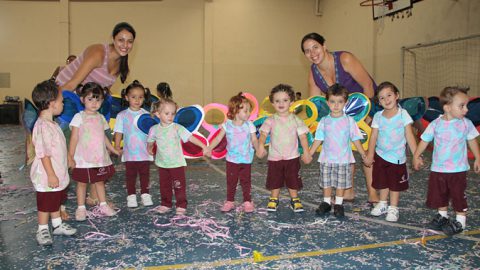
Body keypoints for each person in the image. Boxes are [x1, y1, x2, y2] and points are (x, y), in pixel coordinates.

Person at [55, 22, 136, 209]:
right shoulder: (98, 52)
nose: (125, 44)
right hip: (68, 96)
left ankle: (94, 197)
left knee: (98, 146)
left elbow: (102, 89)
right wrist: (53, 107)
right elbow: (72, 83)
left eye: (129, 41)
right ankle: (59, 205)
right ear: (113, 39)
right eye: (121, 40)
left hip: (90, 103)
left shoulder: (121, 65)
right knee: (67, 150)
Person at [301, 32, 378, 204]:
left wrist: (365, 117)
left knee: (365, 147)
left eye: (315, 47)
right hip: (340, 111)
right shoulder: (313, 74)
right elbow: (315, 105)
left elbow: (368, 85)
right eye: (307, 51)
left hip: (367, 104)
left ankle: (373, 192)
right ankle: (348, 191)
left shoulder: (345, 59)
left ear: (324, 46)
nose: (312, 53)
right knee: (344, 147)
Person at [413, 86, 480, 235]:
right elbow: (424, 140)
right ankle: (442, 216)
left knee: (458, 196)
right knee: (439, 195)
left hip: (458, 170)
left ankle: (460, 221)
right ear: (447, 108)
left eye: (466, 105)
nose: (466, 110)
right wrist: (416, 155)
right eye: (462, 106)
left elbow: (472, 141)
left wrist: (478, 158)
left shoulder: (465, 123)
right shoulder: (436, 124)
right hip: (438, 169)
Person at [307, 84, 369, 218]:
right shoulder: (324, 121)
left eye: (340, 102)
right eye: (332, 101)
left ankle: (339, 204)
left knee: (341, 183)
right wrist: (309, 153)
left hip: (343, 159)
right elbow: (318, 139)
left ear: (345, 102)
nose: (336, 105)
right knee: (326, 182)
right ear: (327, 102)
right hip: (326, 159)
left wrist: (363, 154)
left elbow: (356, 139)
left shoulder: (349, 121)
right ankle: (326, 202)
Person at [30, 80, 77, 245]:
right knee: (46, 203)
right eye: (61, 101)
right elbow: (43, 153)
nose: (63, 103)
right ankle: (42, 229)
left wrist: (69, 158)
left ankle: (57, 225)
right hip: (47, 175)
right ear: (51, 103)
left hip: (58, 172)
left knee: (56, 200)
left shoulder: (53, 124)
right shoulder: (42, 126)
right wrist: (50, 174)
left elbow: (59, 148)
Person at [147, 98, 209, 215]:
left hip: (176, 164)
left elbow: (190, 137)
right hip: (162, 164)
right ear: (158, 114)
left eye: (173, 113)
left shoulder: (177, 128)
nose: (170, 116)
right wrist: (149, 148)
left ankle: (181, 204)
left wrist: (203, 146)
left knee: (179, 185)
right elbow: (150, 141)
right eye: (167, 113)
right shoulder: (154, 129)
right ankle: (166, 203)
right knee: (164, 186)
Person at [68, 82, 120, 221]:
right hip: (83, 158)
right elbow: (74, 138)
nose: (94, 103)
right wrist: (70, 157)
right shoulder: (78, 117)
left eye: (98, 99)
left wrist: (112, 149)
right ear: (82, 99)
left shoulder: (101, 118)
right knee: (82, 183)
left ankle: (103, 205)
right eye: (90, 99)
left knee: (100, 182)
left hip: (99, 157)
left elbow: (103, 137)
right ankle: (81, 208)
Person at [367, 82, 418, 222]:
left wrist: (416, 155)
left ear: (397, 96)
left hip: (397, 158)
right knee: (382, 182)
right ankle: (383, 204)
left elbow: (409, 136)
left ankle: (393, 208)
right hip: (381, 155)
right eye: (382, 98)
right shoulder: (377, 116)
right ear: (379, 101)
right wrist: (370, 154)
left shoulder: (403, 114)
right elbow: (373, 137)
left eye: (389, 95)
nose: (386, 100)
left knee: (395, 185)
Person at [257, 84, 312, 213]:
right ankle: (274, 198)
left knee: (293, 179)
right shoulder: (270, 120)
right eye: (277, 101)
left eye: (285, 100)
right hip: (275, 157)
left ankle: (295, 199)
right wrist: (260, 147)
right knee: (274, 179)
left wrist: (307, 152)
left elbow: (303, 137)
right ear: (272, 103)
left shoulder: (296, 120)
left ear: (292, 102)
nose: (281, 103)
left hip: (292, 157)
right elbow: (263, 134)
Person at [205, 92, 259, 213]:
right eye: (245, 111)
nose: (248, 113)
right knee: (231, 181)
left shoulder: (249, 125)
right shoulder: (227, 125)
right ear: (235, 111)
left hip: (246, 159)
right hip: (232, 160)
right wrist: (209, 148)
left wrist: (259, 148)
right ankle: (230, 201)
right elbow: (218, 138)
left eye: (249, 110)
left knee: (246, 181)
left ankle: (247, 201)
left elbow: (254, 139)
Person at [113, 81, 153, 208]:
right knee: (130, 175)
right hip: (129, 153)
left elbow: (151, 133)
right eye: (133, 97)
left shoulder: (146, 115)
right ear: (126, 97)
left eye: (140, 97)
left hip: (144, 152)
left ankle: (145, 194)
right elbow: (119, 132)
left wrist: (152, 147)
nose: (137, 100)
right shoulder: (122, 115)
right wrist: (117, 146)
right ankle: (131, 196)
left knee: (145, 175)